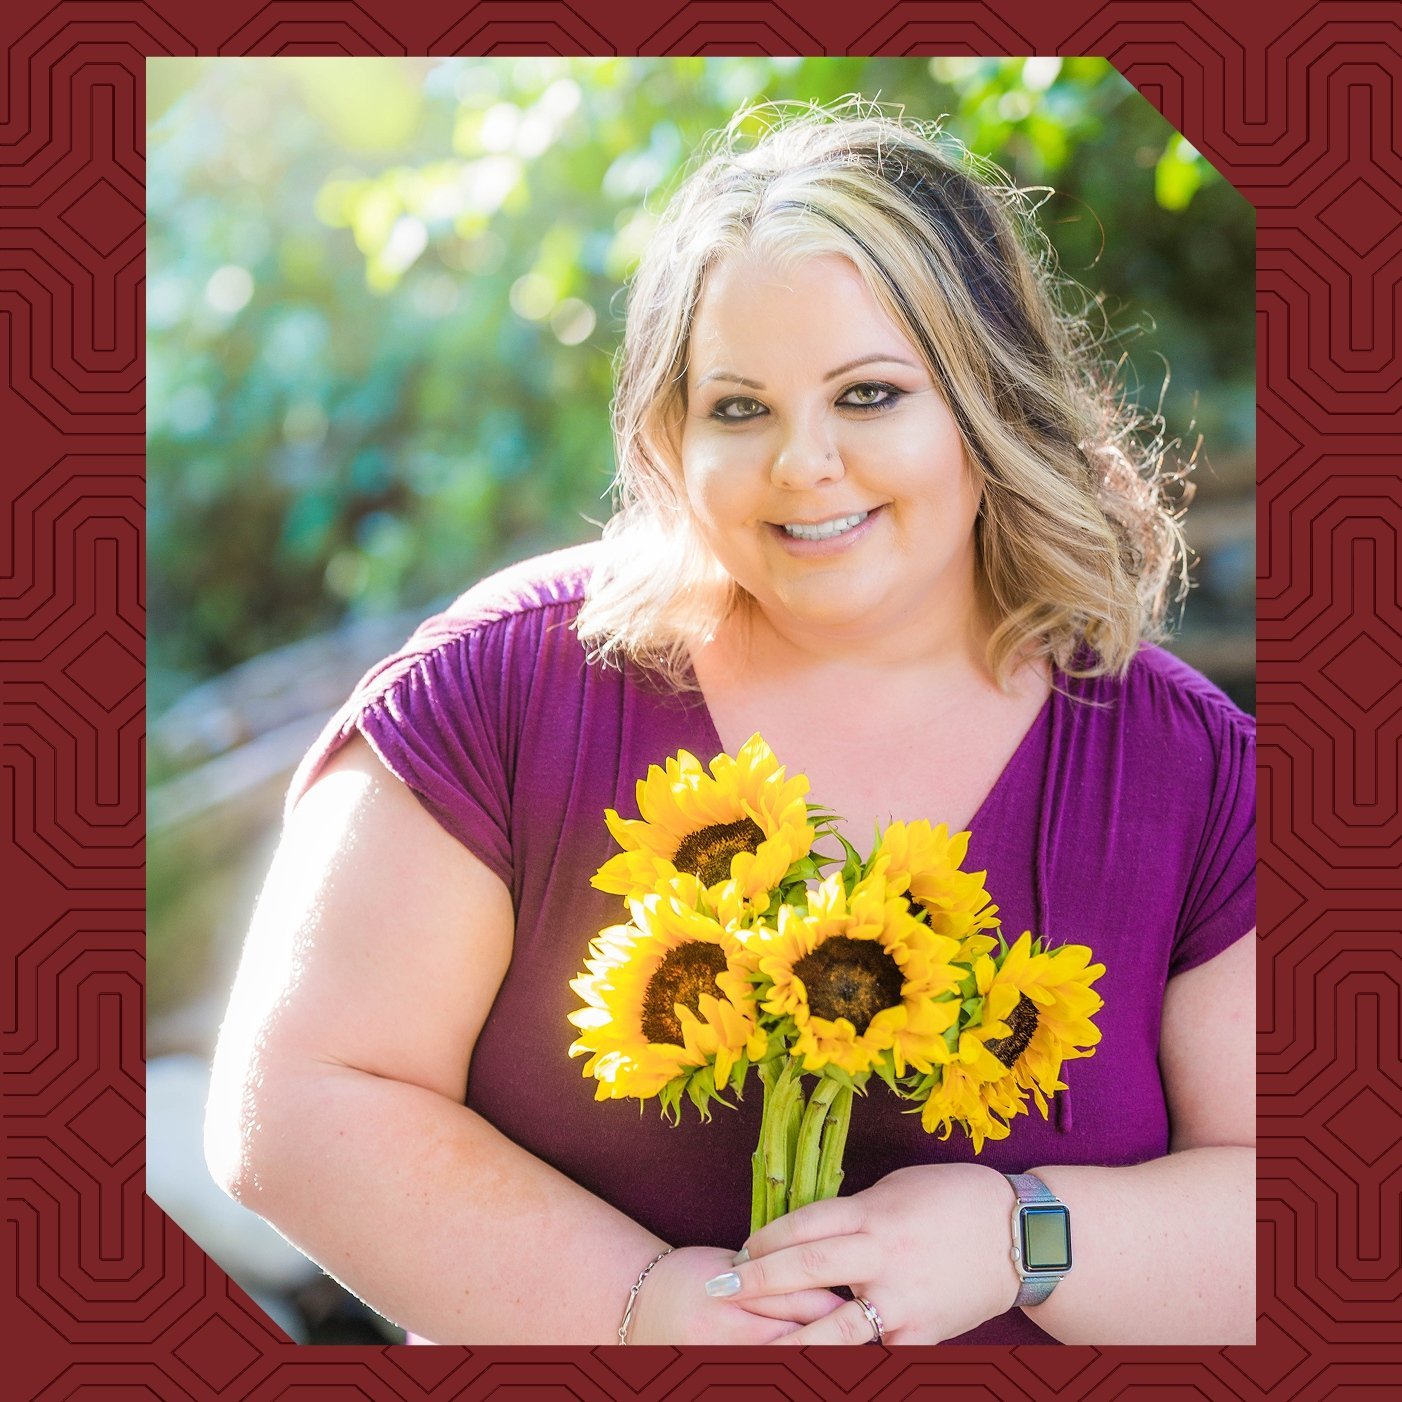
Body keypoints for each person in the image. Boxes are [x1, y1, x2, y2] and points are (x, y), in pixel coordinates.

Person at [205, 101, 1255, 1346]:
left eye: (869, 394)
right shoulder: (502, 690)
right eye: (739, 408)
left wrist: (1020, 1238)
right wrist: (648, 1315)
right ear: (670, 432)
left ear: (988, 406)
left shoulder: (1186, 772)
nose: (802, 464)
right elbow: (299, 1100)